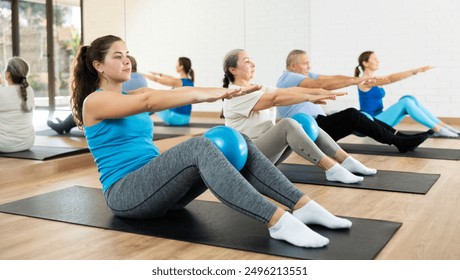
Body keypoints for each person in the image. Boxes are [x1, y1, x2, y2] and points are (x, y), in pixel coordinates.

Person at [71, 35, 353, 249]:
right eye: (117, 57)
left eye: (127, 55)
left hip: (161, 190)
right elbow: (150, 100)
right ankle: (277, 221)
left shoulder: (132, 94)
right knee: (200, 145)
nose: (126, 61)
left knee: (236, 138)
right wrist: (217, 95)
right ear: (98, 66)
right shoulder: (95, 102)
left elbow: (176, 91)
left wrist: (223, 92)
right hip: (126, 194)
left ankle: (303, 206)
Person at [222, 49, 377, 184]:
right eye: (247, 61)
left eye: (252, 60)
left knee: (302, 120)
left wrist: (319, 92)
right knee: (287, 124)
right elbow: (275, 99)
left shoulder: (256, 88)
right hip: (250, 157)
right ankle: (331, 168)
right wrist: (309, 97)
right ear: (233, 69)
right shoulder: (236, 94)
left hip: (266, 151)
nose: (253, 64)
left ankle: (346, 161)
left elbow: (287, 91)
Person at [276, 50, 431, 153]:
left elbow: (328, 78)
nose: (308, 66)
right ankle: (399, 141)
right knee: (351, 114)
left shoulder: (301, 75)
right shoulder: (290, 77)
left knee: (357, 115)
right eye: (305, 63)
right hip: (309, 129)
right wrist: (354, 81)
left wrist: (356, 79)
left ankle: (403, 138)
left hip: (318, 124)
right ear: (292, 66)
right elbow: (322, 84)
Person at [355, 51, 459, 137]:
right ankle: (438, 129)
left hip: (380, 120)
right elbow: (390, 79)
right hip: (370, 124)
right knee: (405, 102)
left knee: (409, 98)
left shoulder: (374, 79)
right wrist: (415, 71)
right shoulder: (364, 81)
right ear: (365, 63)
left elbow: (387, 79)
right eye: (374, 59)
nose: (378, 61)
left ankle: (443, 126)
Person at [47, 55, 147, 134]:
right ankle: (65, 124)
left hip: (122, 110)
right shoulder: (141, 78)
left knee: (84, 108)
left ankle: (63, 125)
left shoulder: (122, 79)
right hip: (136, 111)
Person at [143, 57, 195, 126]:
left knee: (153, 102)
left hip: (175, 119)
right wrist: (159, 74)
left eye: (177, 64)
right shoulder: (190, 82)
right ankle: (144, 115)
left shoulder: (178, 82)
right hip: (186, 119)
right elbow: (171, 78)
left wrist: (141, 75)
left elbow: (157, 80)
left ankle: (139, 119)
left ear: (181, 66)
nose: (175, 66)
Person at [0, 57, 35, 153]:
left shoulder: (2, 92)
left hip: (3, 145)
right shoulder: (29, 91)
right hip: (27, 142)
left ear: (8, 75)